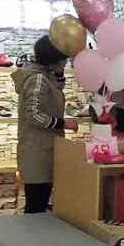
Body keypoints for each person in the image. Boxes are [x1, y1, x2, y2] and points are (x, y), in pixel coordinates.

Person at [12, 35, 77, 214]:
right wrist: (62, 123)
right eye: (63, 58)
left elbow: (57, 87)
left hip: (41, 148)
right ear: (54, 59)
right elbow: (33, 114)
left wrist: (59, 72)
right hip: (38, 150)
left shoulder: (44, 75)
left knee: (39, 203)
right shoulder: (38, 78)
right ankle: (31, 233)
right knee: (36, 205)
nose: (66, 62)